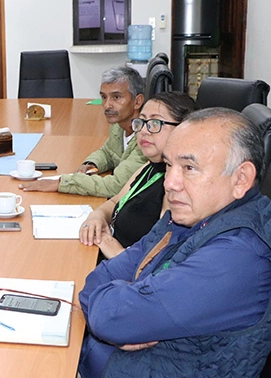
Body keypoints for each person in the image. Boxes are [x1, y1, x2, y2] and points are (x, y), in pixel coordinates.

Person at [0, 108, 271, 378]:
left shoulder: (238, 257)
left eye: (189, 168)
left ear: (241, 179)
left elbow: (113, 316)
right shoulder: (188, 218)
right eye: (169, 165)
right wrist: (126, 303)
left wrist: (124, 309)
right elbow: (99, 280)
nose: (170, 182)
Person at [79, 92, 198, 260]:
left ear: (183, 129)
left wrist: (112, 247)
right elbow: (114, 202)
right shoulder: (150, 165)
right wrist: (96, 216)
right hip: (103, 254)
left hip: (123, 274)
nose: (143, 131)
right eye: (141, 122)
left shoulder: (176, 187)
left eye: (155, 123)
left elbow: (156, 263)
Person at [21, 66, 147, 198]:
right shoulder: (119, 125)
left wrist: (62, 183)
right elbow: (108, 152)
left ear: (137, 101)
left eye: (116, 97)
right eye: (104, 97)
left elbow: (116, 186)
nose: (107, 105)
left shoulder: (146, 138)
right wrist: (91, 164)